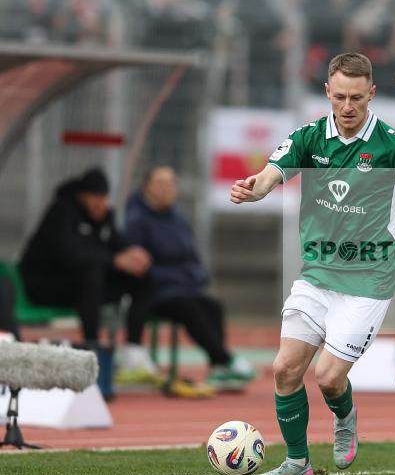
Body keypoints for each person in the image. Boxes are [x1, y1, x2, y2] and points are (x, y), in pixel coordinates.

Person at [231, 52, 395, 475]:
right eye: (340, 97)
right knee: (285, 368)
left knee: (327, 377)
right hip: (317, 276)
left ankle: (345, 417)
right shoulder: (309, 138)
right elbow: (272, 171)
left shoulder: (394, 147)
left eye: (357, 99)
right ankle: (297, 463)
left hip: (368, 284)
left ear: (372, 95)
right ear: (327, 92)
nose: (347, 107)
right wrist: (256, 189)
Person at [125, 166, 256, 391]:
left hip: (184, 287)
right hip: (156, 292)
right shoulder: (136, 220)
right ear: (146, 188)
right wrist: (176, 279)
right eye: (160, 183)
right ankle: (226, 360)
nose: (167, 189)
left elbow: (192, 256)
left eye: (170, 184)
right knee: (190, 309)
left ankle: (218, 368)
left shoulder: (177, 218)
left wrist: (197, 277)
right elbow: (141, 264)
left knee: (213, 306)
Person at [19, 167, 158, 379]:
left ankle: (133, 350)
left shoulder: (104, 218)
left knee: (142, 275)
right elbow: (69, 255)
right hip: (45, 286)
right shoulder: (61, 212)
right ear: (82, 195)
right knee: (91, 272)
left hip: (86, 289)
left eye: (103, 197)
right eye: (95, 197)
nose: (99, 203)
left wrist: (132, 254)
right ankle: (93, 350)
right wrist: (114, 260)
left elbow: (116, 246)